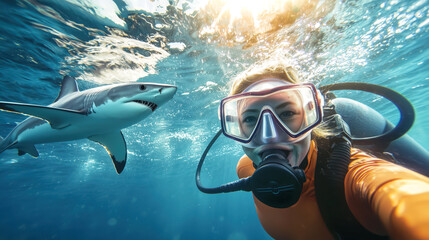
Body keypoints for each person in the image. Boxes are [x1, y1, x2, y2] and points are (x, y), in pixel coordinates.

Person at [197, 60, 429, 240]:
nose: (269, 135)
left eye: (287, 113)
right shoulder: (245, 169)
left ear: (311, 119)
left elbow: (405, 196)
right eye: (250, 119)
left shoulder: (355, 176)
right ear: (235, 128)